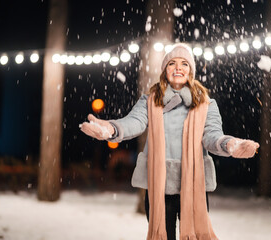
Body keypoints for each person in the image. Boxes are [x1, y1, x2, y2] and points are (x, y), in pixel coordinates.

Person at [80, 43, 260, 240]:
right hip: (159, 183)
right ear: (165, 70)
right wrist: (111, 129)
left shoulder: (206, 104)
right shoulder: (150, 100)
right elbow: (134, 123)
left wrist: (230, 145)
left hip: (192, 182)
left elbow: (212, 136)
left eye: (184, 64)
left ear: (190, 70)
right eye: (172, 63)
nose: (178, 68)